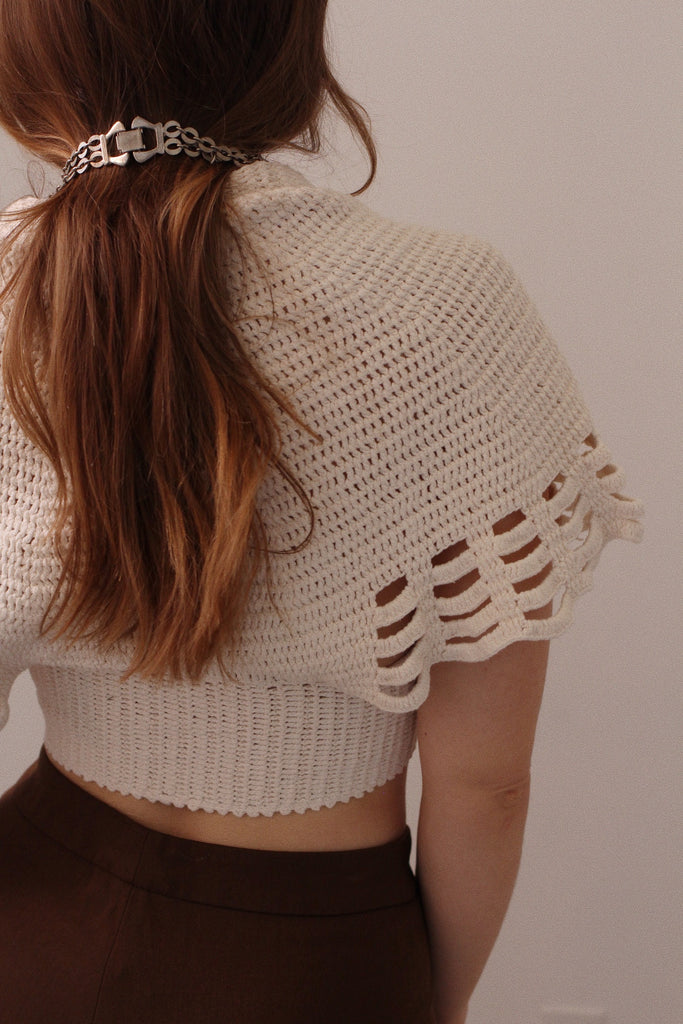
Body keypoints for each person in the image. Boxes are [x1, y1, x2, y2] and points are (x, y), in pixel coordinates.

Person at [0, 3, 645, 1023]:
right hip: (314, 959)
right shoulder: (448, 307)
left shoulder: (10, 292)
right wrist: (429, 1002)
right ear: (283, 43)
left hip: (29, 923)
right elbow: (485, 785)